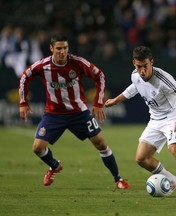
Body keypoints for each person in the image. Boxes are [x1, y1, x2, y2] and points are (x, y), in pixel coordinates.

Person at [18, 34, 129, 189]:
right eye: (58, 48)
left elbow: (100, 76)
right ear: (51, 49)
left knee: (101, 143)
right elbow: (25, 77)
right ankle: (55, 166)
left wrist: (98, 102)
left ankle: (118, 179)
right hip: (54, 114)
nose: (62, 51)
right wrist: (23, 102)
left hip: (79, 113)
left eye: (65, 48)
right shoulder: (43, 66)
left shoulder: (77, 62)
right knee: (37, 147)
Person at [105, 46, 176, 197]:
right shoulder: (135, 75)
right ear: (134, 63)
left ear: (151, 62)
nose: (142, 71)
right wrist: (116, 100)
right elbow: (134, 88)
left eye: (145, 66)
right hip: (155, 119)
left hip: (173, 117)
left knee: (175, 149)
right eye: (139, 67)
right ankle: (173, 181)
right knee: (141, 158)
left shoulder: (163, 78)